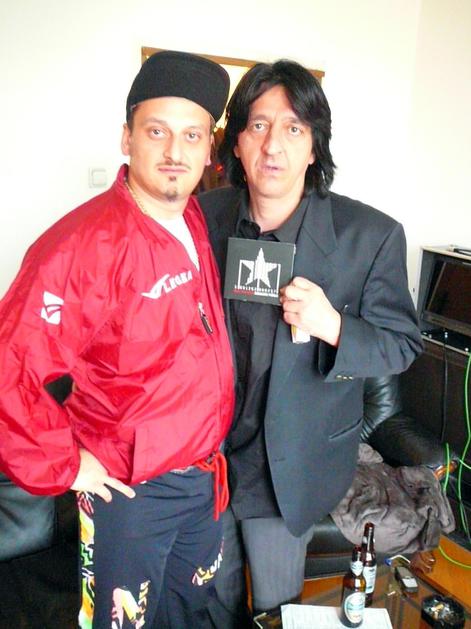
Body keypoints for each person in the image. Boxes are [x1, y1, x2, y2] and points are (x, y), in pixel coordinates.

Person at [0, 50, 234, 629]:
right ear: (127, 139)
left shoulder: (194, 219)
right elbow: (10, 366)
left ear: (208, 148)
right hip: (129, 495)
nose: (175, 151)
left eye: (192, 135)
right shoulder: (81, 246)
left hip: (204, 479)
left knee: (189, 613)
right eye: (157, 131)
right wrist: (66, 465)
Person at [198, 59, 424, 626]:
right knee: (208, 605)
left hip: (288, 470)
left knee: (273, 612)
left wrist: (334, 325)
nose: (273, 144)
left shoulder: (370, 236)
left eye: (293, 128)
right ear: (237, 144)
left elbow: (402, 344)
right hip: (203, 459)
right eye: (258, 125)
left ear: (314, 147)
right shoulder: (203, 217)